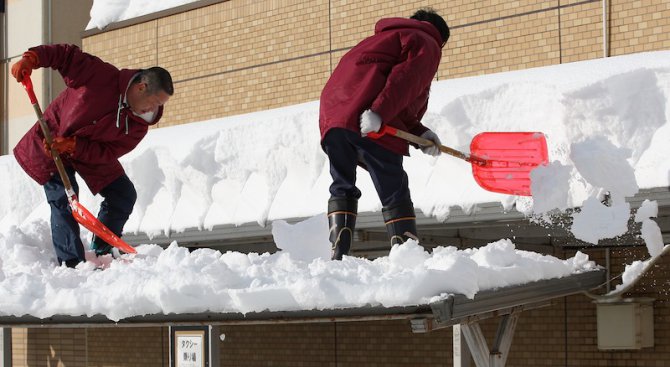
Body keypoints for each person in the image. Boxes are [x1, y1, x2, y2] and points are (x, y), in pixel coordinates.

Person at [11, 44, 174, 268]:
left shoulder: (137, 127)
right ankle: (72, 264)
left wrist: (75, 146)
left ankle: (103, 249)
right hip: (52, 139)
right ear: (141, 87)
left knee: (123, 194)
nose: (154, 110)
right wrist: (32, 58)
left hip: (85, 152)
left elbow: (107, 153)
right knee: (65, 198)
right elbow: (65, 56)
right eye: (155, 102)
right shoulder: (99, 75)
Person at [319, 8, 449, 260]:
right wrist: (378, 113)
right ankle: (406, 256)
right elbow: (405, 81)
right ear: (440, 38)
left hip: (333, 119)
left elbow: (392, 92)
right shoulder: (426, 41)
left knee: (342, 185)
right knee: (394, 188)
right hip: (369, 115)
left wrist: (421, 134)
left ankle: (337, 255)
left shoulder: (380, 40)